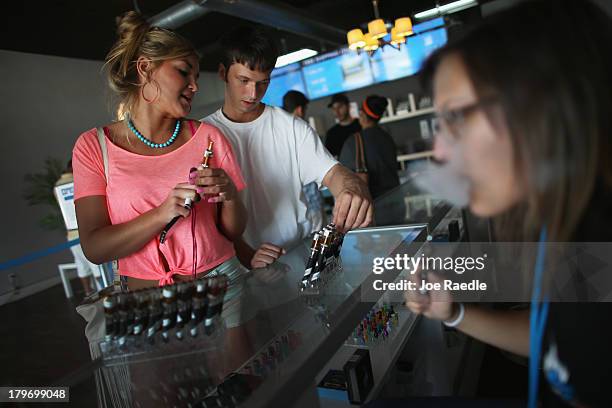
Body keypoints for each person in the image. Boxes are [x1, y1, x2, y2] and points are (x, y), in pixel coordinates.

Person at [404, 1, 612, 407]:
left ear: (542, 105)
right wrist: (454, 314)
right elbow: (561, 338)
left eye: (457, 118)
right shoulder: (567, 224)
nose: (441, 151)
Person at [72, 12, 249, 329]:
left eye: (196, 75)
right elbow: (95, 248)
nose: (194, 85)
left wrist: (230, 194)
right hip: (146, 305)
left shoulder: (209, 138)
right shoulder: (92, 147)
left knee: (236, 378)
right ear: (145, 69)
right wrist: (161, 213)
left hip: (222, 287)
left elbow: (232, 232)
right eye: (184, 72)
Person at [203, 26, 373, 270]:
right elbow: (211, 220)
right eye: (243, 80)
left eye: (262, 83)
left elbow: (334, 173)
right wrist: (249, 257)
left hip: (300, 256)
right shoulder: (204, 135)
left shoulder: (291, 127)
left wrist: (351, 188)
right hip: (243, 269)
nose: (253, 93)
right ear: (222, 73)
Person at [339, 95, 400, 199]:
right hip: (396, 198)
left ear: (362, 114)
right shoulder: (387, 137)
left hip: (373, 205)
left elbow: (343, 177)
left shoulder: (354, 142)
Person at [54, 160, 101, 296]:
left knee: (81, 264)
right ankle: (104, 294)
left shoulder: (57, 186)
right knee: (97, 266)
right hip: (86, 230)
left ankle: (88, 292)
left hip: (71, 234)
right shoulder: (79, 181)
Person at [282, 90, 325, 233]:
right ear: (300, 109)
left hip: (291, 207)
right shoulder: (303, 131)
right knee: (320, 247)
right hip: (312, 203)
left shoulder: (278, 132)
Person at [325, 93, 361, 157]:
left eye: (340, 107)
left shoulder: (361, 125)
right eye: (334, 108)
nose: (337, 112)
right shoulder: (332, 134)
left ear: (348, 106)